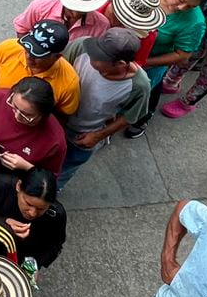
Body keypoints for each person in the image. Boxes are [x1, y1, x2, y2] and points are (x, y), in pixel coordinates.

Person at [58, 29, 149, 185]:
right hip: (57, 120)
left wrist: (97, 136)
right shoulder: (81, 46)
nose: (91, 56)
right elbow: (59, 68)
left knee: (65, 168)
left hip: (82, 134)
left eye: (99, 58)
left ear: (120, 63)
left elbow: (130, 117)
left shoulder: (139, 86)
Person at [0, 166, 65, 271]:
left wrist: (35, 264)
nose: (32, 213)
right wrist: (2, 223)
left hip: (21, 259)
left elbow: (54, 245)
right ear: (18, 186)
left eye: (41, 209)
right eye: (28, 204)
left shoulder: (56, 214)